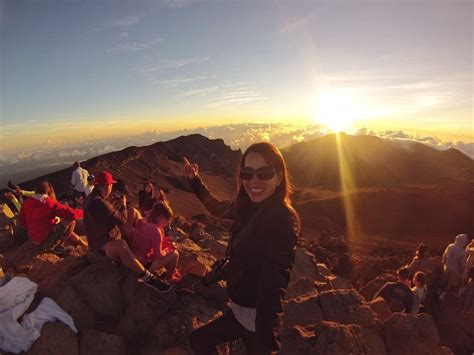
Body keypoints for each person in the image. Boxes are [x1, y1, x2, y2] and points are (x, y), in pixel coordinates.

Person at [184, 142, 300, 354]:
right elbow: (218, 208)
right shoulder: (249, 206)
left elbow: (274, 284)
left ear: (280, 177)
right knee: (198, 341)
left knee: (199, 340)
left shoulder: (283, 220)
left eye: (264, 173)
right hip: (239, 311)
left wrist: (268, 345)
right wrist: (194, 180)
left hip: (257, 321)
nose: (254, 181)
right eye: (247, 173)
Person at [83, 171, 171, 293]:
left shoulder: (94, 198)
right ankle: (148, 277)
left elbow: (105, 216)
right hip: (103, 245)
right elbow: (122, 220)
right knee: (122, 245)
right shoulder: (99, 202)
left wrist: (113, 205)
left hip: (108, 235)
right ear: (106, 186)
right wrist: (123, 205)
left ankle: (141, 240)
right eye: (111, 185)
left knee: (133, 211)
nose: (112, 187)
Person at [18, 180, 86, 254]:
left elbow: (22, 223)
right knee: (71, 221)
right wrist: (85, 210)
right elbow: (72, 214)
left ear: (35, 190)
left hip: (33, 240)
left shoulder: (26, 203)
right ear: (49, 190)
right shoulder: (49, 203)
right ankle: (59, 247)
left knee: (58, 224)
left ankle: (81, 243)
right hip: (44, 243)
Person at [132, 202, 179, 282]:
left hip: (133, 257)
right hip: (143, 264)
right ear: (161, 217)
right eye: (166, 221)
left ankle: (169, 271)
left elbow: (147, 240)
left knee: (167, 246)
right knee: (175, 254)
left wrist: (165, 241)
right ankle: (169, 278)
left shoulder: (143, 221)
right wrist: (169, 249)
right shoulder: (156, 231)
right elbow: (158, 256)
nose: (166, 225)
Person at [439, 233, 469, 300]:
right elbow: (462, 263)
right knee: (450, 282)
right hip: (455, 269)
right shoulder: (463, 252)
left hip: (447, 266)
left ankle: (439, 290)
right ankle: (443, 294)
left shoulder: (450, 246)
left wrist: (443, 261)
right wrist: (461, 270)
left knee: (444, 278)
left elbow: (445, 255)